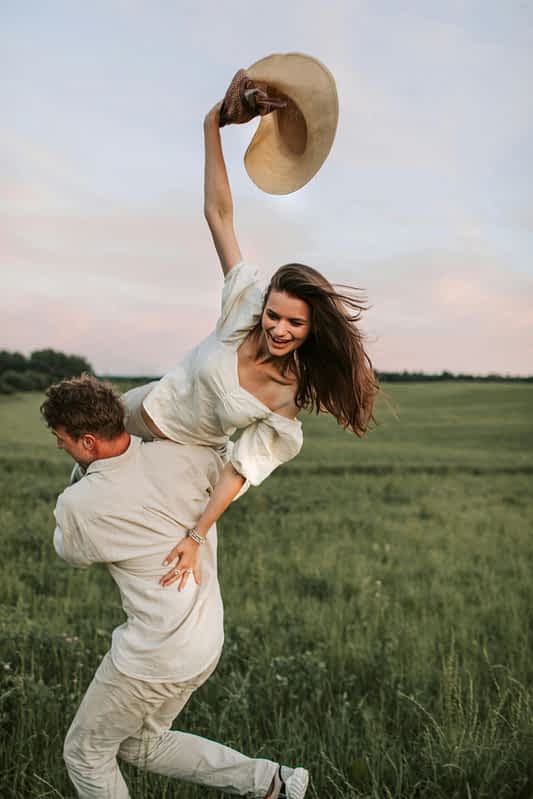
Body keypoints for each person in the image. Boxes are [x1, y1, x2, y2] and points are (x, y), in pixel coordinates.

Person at [121, 101, 379, 592]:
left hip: (186, 460)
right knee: (80, 465)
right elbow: (218, 213)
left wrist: (198, 533)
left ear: (311, 329)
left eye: (295, 324)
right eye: (274, 315)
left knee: (154, 564)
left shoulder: (285, 400)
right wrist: (211, 123)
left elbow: (239, 470)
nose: (279, 329)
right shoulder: (243, 305)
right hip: (142, 408)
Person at [41, 374, 309, 799]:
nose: (60, 446)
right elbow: (222, 464)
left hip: (152, 656)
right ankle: (271, 782)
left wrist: (79, 476)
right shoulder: (181, 456)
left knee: (85, 753)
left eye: (62, 439)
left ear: (88, 442)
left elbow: (70, 553)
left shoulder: (79, 503)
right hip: (203, 644)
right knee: (143, 743)